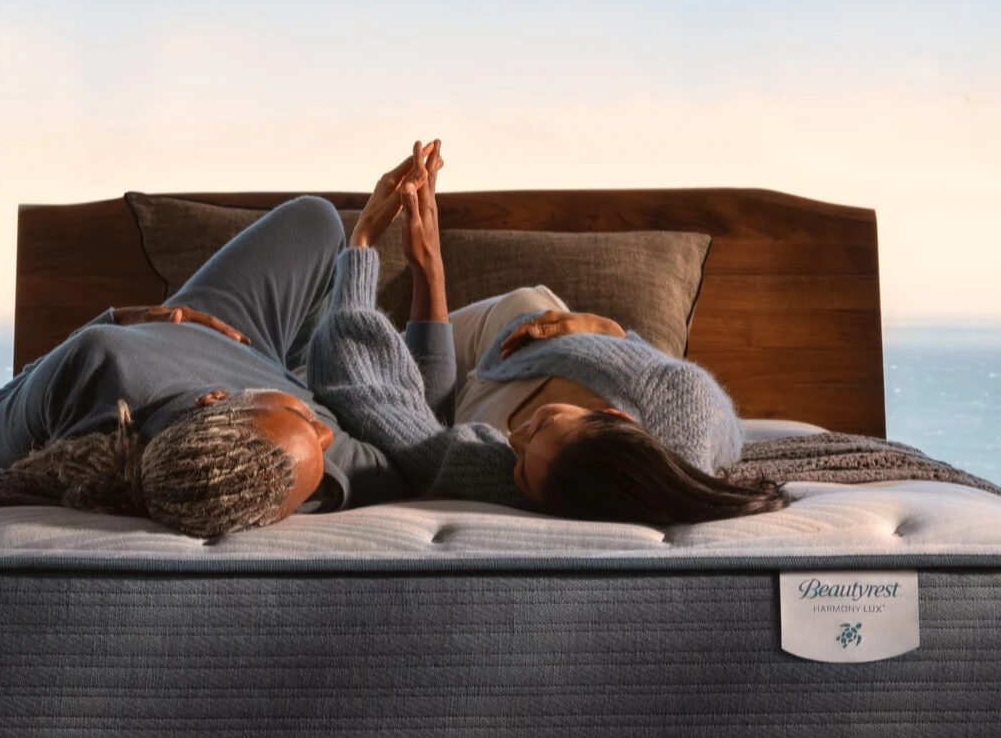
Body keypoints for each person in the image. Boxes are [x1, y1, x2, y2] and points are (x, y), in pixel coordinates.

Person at [0, 154, 448, 536]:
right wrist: (426, 267)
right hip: (252, 359)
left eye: (302, 416)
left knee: (316, 220)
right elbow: (425, 420)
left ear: (216, 401)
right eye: (319, 438)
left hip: (205, 325)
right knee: (346, 358)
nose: (324, 432)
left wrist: (130, 317)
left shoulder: (96, 361)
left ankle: (298, 360)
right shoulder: (313, 468)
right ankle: (305, 361)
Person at [310, 141, 784, 524]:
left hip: (466, 402)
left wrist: (374, 249)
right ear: (615, 417)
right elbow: (723, 426)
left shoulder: (543, 481)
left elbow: (399, 416)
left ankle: (424, 275)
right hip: (517, 329)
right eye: (542, 424)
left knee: (329, 376)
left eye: (520, 464)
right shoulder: (687, 408)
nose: (515, 437)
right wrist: (611, 330)